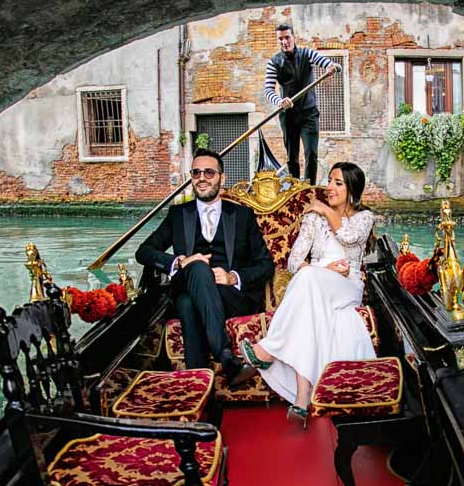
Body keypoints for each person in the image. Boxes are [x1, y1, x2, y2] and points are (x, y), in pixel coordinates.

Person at [237, 161, 377, 424]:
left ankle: (268, 351)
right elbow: (294, 261)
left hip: (348, 286)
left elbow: (348, 237)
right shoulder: (313, 219)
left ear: (352, 189)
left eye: (338, 183)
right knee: (308, 283)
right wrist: (325, 267)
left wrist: (324, 209)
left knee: (309, 276)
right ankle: (302, 401)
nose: (329, 187)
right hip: (317, 283)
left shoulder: (364, 218)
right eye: (330, 181)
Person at [135, 149, 273, 380]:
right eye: (196, 172)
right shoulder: (178, 214)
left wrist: (233, 277)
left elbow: (265, 264)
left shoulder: (242, 215)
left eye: (209, 172)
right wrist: (180, 261)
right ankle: (224, 352)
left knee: (189, 305)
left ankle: (197, 386)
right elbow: (144, 252)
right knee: (197, 268)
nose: (202, 178)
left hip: (231, 296)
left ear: (222, 178)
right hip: (188, 285)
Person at [263, 23, 340, 184]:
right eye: (280, 39)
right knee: (292, 157)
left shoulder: (307, 54)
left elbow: (323, 61)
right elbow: (268, 90)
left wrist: (331, 66)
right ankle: (296, 190)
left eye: (287, 37)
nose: (284, 42)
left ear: (293, 37)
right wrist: (279, 101)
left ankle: (309, 190)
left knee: (311, 153)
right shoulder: (274, 62)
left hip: (309, 113)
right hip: (288, 115)